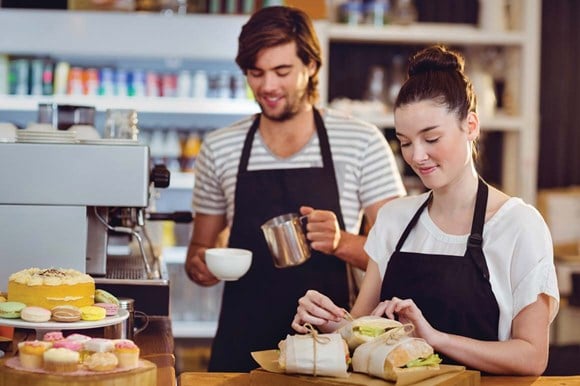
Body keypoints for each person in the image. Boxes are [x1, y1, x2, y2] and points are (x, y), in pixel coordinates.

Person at [292, 45, 560, 376]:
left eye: (431, 138)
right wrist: (326, 323)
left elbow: (532, 356)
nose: (417, 156)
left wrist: (435, 339)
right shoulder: (394, 220)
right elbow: (359, 331)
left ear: (471, 126)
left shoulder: (519, 225)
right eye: (405, 142)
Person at [184, 6, 406, 372]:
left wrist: (341, 243)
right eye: (256, 73)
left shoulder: (361, 141)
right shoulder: (220, 147)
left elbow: (401, 256)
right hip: (242, 346)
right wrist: (201, 266)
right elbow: (199, 250)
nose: (267, 86)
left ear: (311, 66)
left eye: (282, 71)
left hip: (332, 347)